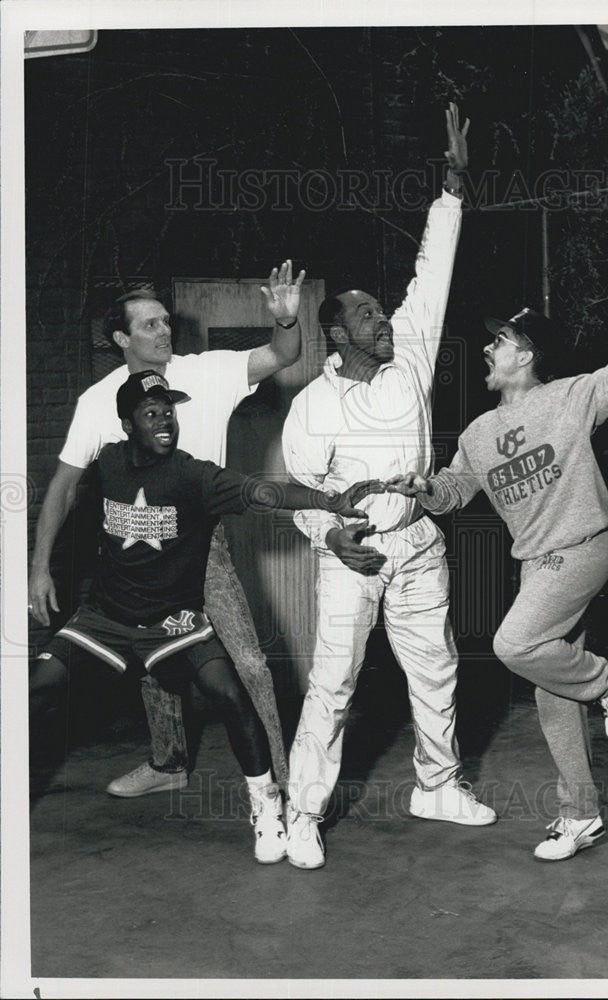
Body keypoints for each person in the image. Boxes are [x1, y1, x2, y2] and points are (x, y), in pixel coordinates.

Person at [386, 279, 608, 862]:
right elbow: (455, 491)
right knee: (551, 694)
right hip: (536, 565)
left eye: (501, 341)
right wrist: (424, 488)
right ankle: (580, 815)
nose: (488, 349)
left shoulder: (569, 398)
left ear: (528, 354)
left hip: (582, 548)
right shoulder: (478, 434)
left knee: (514, 643)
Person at [29, 371, 379, 863]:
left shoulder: (193, 475)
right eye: (151, 414)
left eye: (169, 411)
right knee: (37, 688)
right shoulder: (107, 463)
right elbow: (78, 517)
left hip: (172, 621)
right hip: (105, 617)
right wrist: (48, 572)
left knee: (231, 693)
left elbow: (262, 493)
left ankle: (267, 807)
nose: (165, 422)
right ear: (126, 425)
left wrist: (326, 500)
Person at [281, 103, 496, 871]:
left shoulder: (409, 356)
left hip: (417, 546)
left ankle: (437, 784)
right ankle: (302, 814)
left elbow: (432, 268)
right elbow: (301, 493)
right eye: (367, 314)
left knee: (436, 667)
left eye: (382, 310)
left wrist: (454, 183)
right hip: (351, 558)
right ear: (336, 334)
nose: (384, 319)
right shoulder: (312, 406)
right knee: (332, 685)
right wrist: (327, 536)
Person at [28, 261, 304, 796]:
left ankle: (284, 783)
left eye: (164, 321)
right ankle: (168, 764)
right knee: (151, 660)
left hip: (204, 545)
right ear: (120, 338)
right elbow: (62, 487)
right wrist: (39, 567)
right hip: (135, 543)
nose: (163, 330)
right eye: (149, 324)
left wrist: (286, 321)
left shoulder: (206, 371)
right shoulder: (98, 401)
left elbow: (282, 355)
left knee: (244, 659)